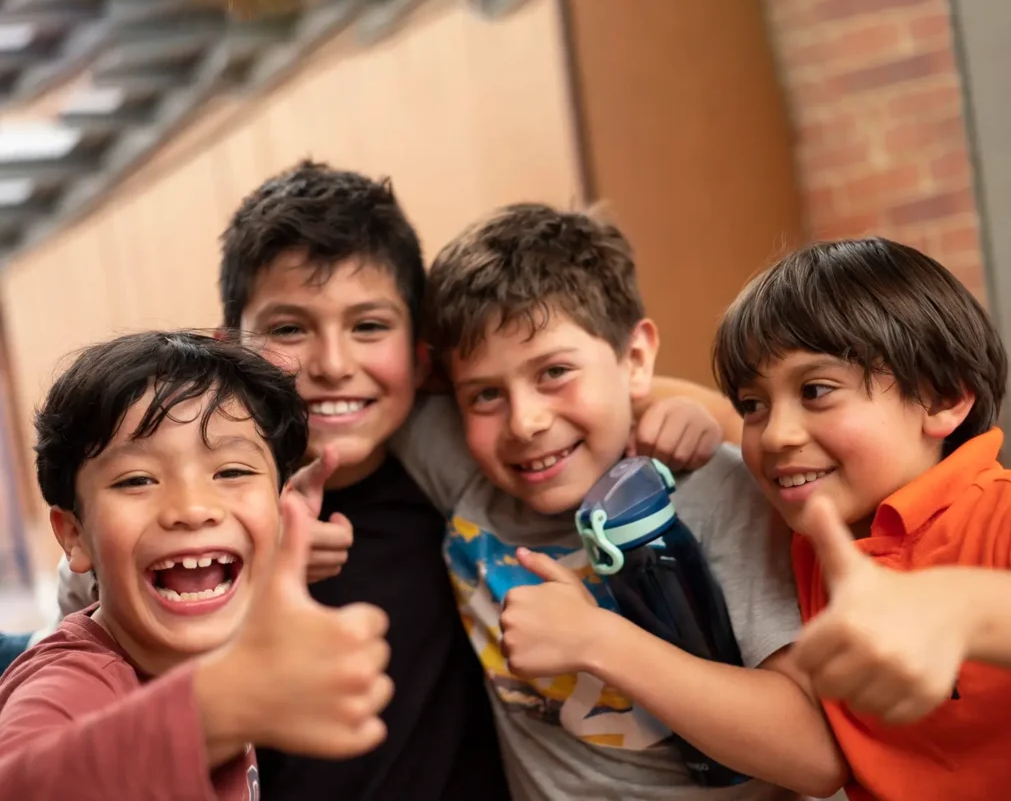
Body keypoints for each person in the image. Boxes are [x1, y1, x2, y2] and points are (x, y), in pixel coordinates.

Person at [50, 163, 735, 799]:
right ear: (233, 346)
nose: (333, 363)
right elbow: (96, 588)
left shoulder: (461, 444)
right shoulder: (209, 515)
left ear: (420, 357)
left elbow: (574, 389)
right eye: (289, 328)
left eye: (369, 326)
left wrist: (678, 410)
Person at [397, 202, 847, 801]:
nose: (525, 422)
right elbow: (345, 380)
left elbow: (815, 757)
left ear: (635, 359)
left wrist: (598, 642)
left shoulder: (716, 494)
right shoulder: (468, 471)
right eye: (484, 394)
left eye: (554, 371)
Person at [0, 331, 393, 800]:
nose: (192, 507)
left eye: (231, 472)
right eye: (137, 479)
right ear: (73, 535)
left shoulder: (229, 643)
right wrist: (226, 702)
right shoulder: (72, 683)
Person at [712, 236, 1011, 801]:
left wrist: (962, 608)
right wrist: (669, 406)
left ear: (942, 398)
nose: (776, 434)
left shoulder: (1009, 511)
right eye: (752, 405)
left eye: (816, 390)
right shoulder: (813, 529)